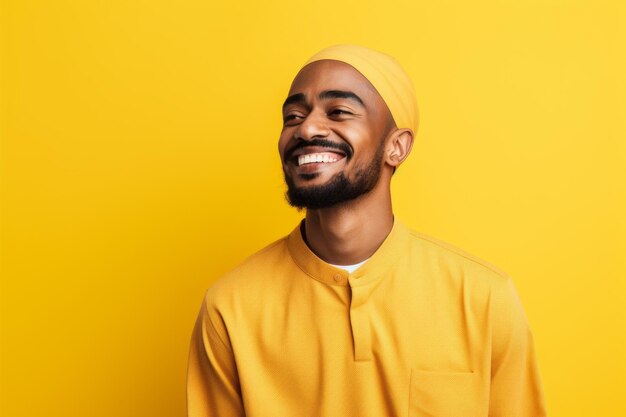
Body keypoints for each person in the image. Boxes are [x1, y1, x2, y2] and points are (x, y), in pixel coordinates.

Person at [186, 44, 547, 417]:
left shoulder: (484, 299)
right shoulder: (230, 308)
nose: (307, 127)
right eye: (293, 116)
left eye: (339, 111)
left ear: (397, 147)